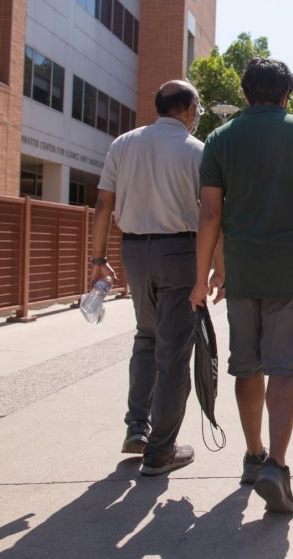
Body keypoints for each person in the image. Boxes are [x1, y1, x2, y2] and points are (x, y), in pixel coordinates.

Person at [190, 57, 293, 514]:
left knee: (248, 367)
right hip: (291, 272)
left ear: (245, 94)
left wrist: (201, 278)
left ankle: (253, 454)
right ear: (287, 94)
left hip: (241, 273)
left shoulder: (219, 140)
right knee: (284, 369)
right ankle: (276, 467)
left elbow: (209, 215)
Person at [90, 80, 205, 476]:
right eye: (199, 109)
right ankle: (161, 450)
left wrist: (97, 258)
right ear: (188, 110)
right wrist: (218, 267)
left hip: (134, 251)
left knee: (146, 336)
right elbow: (210, 215)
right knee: (174, 351)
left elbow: (103, 203)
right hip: (180, 252)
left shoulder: (122, 144)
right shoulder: (197, 152)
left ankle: (137, 428)